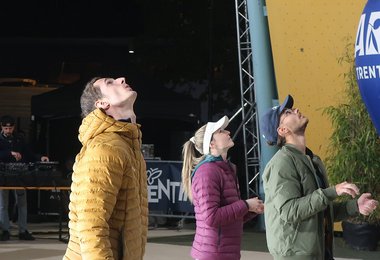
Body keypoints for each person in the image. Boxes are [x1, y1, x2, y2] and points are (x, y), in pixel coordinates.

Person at [260, 94, 379, 260]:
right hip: (296, 255)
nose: (296, 110)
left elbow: (319, 210)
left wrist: (355, 206)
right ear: (282, 130)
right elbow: (290, 211)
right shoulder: (282, 163)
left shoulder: (312, 160)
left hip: (321, 252)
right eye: (288, 113)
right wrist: (332, 191)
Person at [63, 77, 148, 260]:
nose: (121, 79)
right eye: (110, 82)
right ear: (102, 103)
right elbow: (91, 227)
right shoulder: (104, 148)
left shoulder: (128, 147)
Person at [181, 115, 264, 260]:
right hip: (213, 255)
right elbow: (211, 218)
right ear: (211, 144)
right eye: (221, 131)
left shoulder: (226, 168)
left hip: (223, 254)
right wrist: (245, 204)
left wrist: (251, 209)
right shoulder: (207, 172)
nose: (228, 132)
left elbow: (227, 217)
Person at [0, 115, 49, 241]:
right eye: (6, 128)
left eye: (10, 128)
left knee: (22, 203)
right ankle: (5, 230)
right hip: (3, 174)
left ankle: (23, 230)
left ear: (13, 127)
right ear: (2, 127)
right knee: (3, 204)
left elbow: (29, 154)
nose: (8, 131)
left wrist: (40, 157)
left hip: (20, 175)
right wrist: (9, 153)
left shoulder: (19, 139)